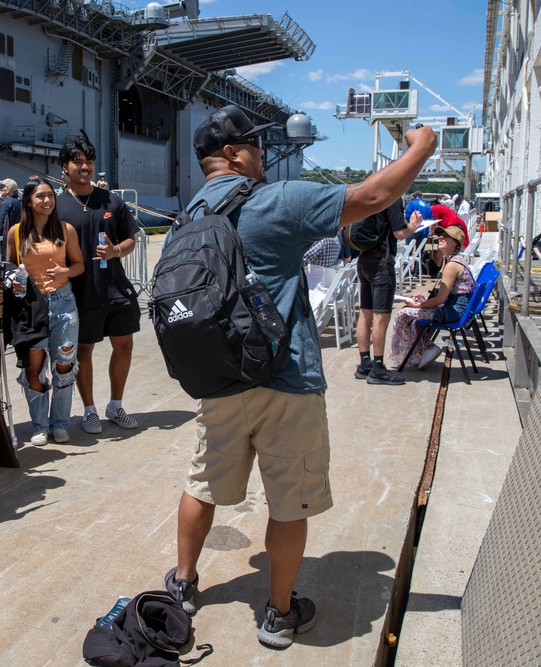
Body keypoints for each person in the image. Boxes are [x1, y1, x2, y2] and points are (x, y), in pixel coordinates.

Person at [163, 104, 435, 649]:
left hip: (219, 377)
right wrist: (420, 148)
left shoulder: (188, 214)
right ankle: (279, 614)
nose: (264, 154)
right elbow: (374, 198)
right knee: (290, 501)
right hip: (286, 377)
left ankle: (185, 585)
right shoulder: (273, 199)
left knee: (204, 483)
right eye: (255, 147)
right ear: (234, 154)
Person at [54, 136, 140, 434]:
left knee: (125, 344)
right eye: (77, 162)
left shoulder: (112, 201)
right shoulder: (56, 206)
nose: (85, 167)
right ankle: (89, 411)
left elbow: (132, 237)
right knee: (84, 351)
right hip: (79, 291)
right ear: (64, 167)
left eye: (89, 162)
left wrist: (116, 250)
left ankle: (115, 405)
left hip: (115, 287)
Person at [7, 176, 85, 445]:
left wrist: (65, 271)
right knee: (34, 368)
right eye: (40, 196)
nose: (47, 200)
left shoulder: (65, 230)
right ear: (28, 200)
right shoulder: (16, 233)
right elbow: (8, 268)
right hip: (31, 307)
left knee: (64, 365)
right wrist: (14, 280)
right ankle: (40, 425)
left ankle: (60, 423)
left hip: (64, 303)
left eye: (50, 195)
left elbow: (79, 265)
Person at [353, 200, 424, 385]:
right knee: (380, 317)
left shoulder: (371, 195)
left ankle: (365, 364)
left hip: (363, 260)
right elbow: (400, 234)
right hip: (381, 263)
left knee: (364, 313)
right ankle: (377, 367)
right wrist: (413, 225)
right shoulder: (391, 198)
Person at [389, 225, 476, 370]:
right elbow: (443, 296)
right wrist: (425, 303)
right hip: (457, 309)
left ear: (455, 242)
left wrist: (418, 305)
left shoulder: (452, 265)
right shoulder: (455, 261)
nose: (440, 238)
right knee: (415, 319)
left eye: (445, 236)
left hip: (454, 312)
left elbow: (440, 300)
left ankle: (408, 356)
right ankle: (427, 348)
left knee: (403, 314)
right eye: (440, 235)